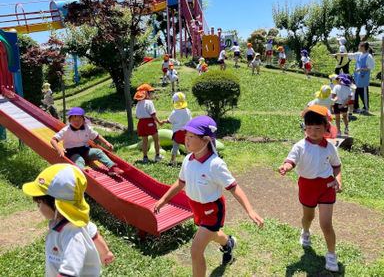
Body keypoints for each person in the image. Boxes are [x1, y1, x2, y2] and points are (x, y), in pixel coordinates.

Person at [153, 116, 263, 277]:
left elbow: (234, 188)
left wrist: (250, 210)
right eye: (186, 136)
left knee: (196, 250)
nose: (186, 140)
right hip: (195, 207)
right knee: (212, 235)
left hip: (212, 210)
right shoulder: (188, 160)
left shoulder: (215, 165)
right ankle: (229, 243)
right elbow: (180, 182)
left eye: (191, 137)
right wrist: (163, 200)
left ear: (205, 141)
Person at [278, 105, 342, 273]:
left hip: (326, 187)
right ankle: (305, 231)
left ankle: (331, 255)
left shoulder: (330, 148)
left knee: (326, 224)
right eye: (309, 128)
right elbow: (291, 160)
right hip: (307, 186)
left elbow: (337, 166)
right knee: (308, 217)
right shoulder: (300, 146)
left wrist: (338, 180)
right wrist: (286, 167)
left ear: (326, 128)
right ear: (305, 128)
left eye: (317, 128)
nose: (313, 132)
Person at [22, 164, 114, 277]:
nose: (38, 207)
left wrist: (105, 252)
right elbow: (94, 235)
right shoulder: (77, 219)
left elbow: (70, 272)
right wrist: (105, 252)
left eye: (39, 203)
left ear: (57, 205)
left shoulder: (72, 236)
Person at [51, 107, 123, 176]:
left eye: (79, 120)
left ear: (83, 120)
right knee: (79, 160)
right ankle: (82, 173)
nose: (77, 122)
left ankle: (111, 168)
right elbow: (53, 140)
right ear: (69, 121)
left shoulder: (86, 128)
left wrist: (106, 143)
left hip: (84, 149)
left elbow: (96, 136)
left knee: (98, 152)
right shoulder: (66, 130)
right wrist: (59, 149)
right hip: (72, 152)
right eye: (74, 120)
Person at [330, 42, 375, 113]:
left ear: (363, 47)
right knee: (355, 92)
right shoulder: (359, 54)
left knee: (363, 93)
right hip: (357, 77)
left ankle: (366, 108)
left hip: (363, 77)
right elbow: (347, 54)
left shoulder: (368, 56)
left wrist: (361, 69)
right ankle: (355, 107)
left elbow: (371, 67)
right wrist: (336, 54)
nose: (358, 47)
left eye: (360, 46)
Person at [134, 84, 164, 163]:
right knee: (156, 139)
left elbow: (137, 116)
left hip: (141, 123)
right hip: (149, 122)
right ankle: (157, 156)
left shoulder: (138, 103)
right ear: (146, 93)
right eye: (151, 92)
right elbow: (153, 114)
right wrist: (159, 122)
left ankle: (145, 157)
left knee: (144, 141)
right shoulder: (149, 102)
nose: (152, 94)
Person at [160, 92, 192, 166]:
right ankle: (191, 161)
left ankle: (172, 161)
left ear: (174, 102)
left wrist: (164, 121)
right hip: (186, 132)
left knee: (175, 147)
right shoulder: (188, 111)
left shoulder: (175, 112)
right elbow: (190, 121)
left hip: (177, 133)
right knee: (188, 147)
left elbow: (170, 121)